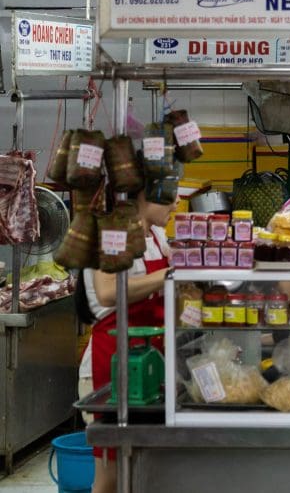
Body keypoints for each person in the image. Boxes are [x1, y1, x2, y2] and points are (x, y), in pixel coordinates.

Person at [75, 191, 173, 493]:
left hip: (148, 364)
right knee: (111, 476)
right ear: (144, 195)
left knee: (144, 472)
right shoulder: (112, 232)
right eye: (170, 197)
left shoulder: (157, 235)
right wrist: (169, 275)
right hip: (111, 366)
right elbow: (107, 292)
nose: (177, 203)